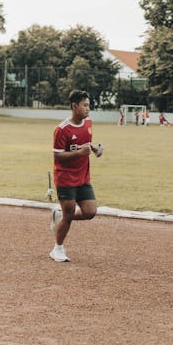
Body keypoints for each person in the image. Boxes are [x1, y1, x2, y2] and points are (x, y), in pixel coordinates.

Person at [48, 90, 103, 262]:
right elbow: (57, 156)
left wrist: (94, 149)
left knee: (90, 211)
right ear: (74, 106)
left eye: (89, 105)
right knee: (69, 213)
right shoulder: (61, 129)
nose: (88, 109)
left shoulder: (88, 123)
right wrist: (80, 153)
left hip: (83, 177)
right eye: (85, 105)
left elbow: (85, 143)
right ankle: (57, 249)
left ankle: (59, 215)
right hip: (65, 178)